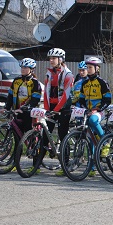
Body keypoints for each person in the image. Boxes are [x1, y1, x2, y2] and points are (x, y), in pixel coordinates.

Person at [44, 48, 74, 177]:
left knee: (63, 136)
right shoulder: (49, 73)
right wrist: (47, 109)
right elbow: (46, 91)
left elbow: (66, 96)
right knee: (45, 135)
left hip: (63, 109)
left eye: (53, 58)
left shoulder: (68, 74)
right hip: (51, 109)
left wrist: (55, 111)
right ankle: (36, 165)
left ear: (60, 60)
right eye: (50, 58)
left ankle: (65, 165)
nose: (51, 60)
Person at [4, 58, 42, 133]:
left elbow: (35, 99)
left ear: (31, 69)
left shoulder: (34, 82)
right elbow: (10, 95)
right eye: (22, 67)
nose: (22, 69)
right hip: (16, 111)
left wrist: (25, 108)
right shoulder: (16, 80)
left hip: (28, 112)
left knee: (28, 133)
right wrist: (7, 107)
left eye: (25, 68)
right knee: (17, 133)